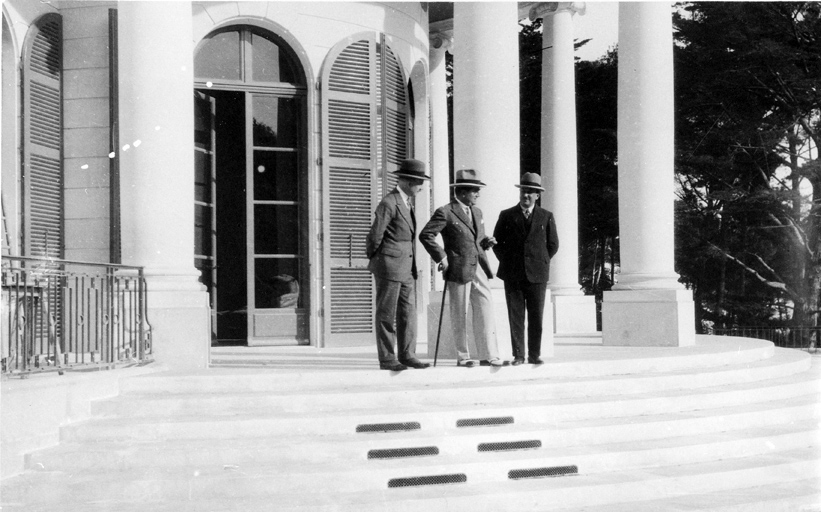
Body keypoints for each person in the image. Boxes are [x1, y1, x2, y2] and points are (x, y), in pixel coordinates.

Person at [420, 169, 506, 368]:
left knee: (485, 308)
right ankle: (463, 356)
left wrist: (486, 242)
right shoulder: (445, 211)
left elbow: (475, 240)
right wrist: (442, 256)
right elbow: (426, 235)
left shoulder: (477, 212)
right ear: (462, 191)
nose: (478, 194)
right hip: (458, 268)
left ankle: (489, 355)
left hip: (479, 268)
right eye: (475, 190)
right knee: (459, 313)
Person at [366, 159, 431, 371]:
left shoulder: (406, 202)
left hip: (406, 269)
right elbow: (375, 236)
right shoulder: (389, 202)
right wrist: (381, 259)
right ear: (407, 181)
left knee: (408, 313)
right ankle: (387, 358)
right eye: (418, 182)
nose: (421, 187)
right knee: (386, 313)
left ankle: (407, 354)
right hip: (389, 266)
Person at [492, 172, 559, 365]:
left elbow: (553, 244)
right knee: (516, 316)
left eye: (530, 192)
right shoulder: (507, 215)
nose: (526, 195)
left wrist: (540, 261)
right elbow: (497, 243)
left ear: (538, 195)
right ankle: (519, 356)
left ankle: (534, 355)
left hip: (537, 274)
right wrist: (507, 261)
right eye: (523, 191)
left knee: (536, 317)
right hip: (513, 274)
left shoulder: (546, 216)